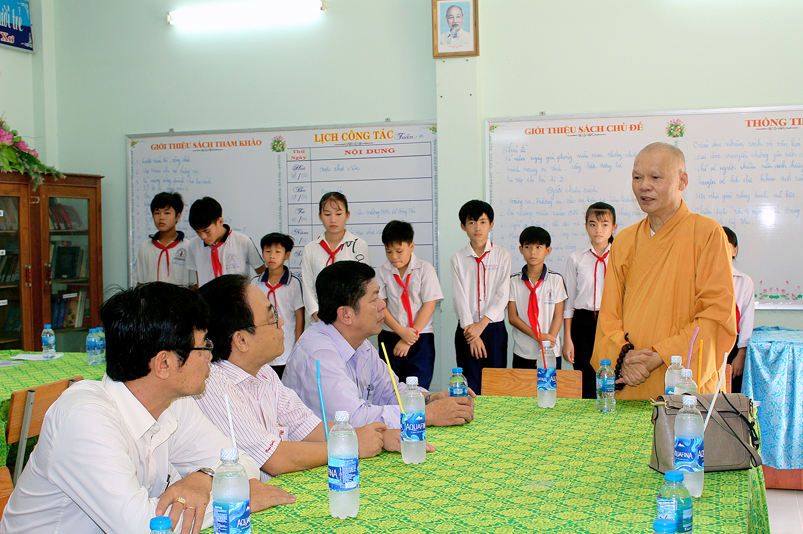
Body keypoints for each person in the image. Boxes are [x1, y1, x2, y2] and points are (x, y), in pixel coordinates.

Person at [0, 283, 294, 534]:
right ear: (164, 363)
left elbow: (242, 463)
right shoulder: (84, 418)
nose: (210, 357)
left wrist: (203, 478)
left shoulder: (173, 403)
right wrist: (236, 502)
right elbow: (143, 526)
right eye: (204, 346)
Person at [194, 275, 389, 481]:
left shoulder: (264, 373)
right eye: (272, 317)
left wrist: (377, 436)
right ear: (241, 340)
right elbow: (274, 459)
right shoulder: (213, 384)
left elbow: (306, 427)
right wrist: (349, 446)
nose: (281, 322)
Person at [591, 142, 737, 399]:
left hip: (684, 385)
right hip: (633, 377)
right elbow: (609, 316)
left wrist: (661, 355)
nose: (643, 186)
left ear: (682, 181)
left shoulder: (707, 234)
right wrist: (624, 356)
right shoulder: (624, 241)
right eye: (637, 177)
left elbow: (716, 315)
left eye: (655, 177)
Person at [284, 261, 474, 432]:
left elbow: (391, 392)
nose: (383, 305)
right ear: (345, 314)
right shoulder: (319, 355)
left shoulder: (361, 344)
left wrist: (429, 399)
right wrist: (427, 415)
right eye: (374, 300)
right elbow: (354, 420)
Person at [451, 199, 511, 394]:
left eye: (483, 222)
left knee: (495, 385)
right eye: (472, 222)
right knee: (470, 386)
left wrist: (481, 325)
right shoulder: (458, 258)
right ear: (463, 226)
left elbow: (503, 294)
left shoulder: (502, 255)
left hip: (494, 329)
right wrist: (472, 332)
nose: (477, 228)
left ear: (491, 224)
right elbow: (459, 297)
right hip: (467, 330)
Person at [376, 220, 444, 390]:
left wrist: (409, 338)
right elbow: (381, 306)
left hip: (421, 337)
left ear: (411, 246)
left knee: (418, 390)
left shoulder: (425, 269)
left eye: (399, 251)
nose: (394, 257)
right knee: (390, 389)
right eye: (388, 251)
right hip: (390, 335)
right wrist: (401, 332)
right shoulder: (381, 271)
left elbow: (429, 305)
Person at [563, 202, 618, 398]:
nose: (598, 230)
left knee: (612, 374)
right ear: (586, 226)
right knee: (585, 376)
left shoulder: (621, 257)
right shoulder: (576, 259)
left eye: (604, 224)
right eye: (593, 224)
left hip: (612, 321)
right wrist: (567, 338)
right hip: (583, 322)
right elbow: (569, 302)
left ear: (614, 227)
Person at [301, 192, 371, 323]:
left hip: (352, 319)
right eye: (327, 214)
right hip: (321, 319)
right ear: (320, 216)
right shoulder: (310, 249)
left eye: (338, 214)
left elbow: (363, 285)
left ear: (347, 215)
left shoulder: (359, 246)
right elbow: (308, 288)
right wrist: (320, 319)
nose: (333, 219)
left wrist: (350, 318)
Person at [508, 226, 567, 369]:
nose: (533, 252)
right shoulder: (513, 281)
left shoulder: (556, 279)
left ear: (548, 250)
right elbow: (513, 318)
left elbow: (558, 316)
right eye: (528, 247)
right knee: (522, 384)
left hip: (550, 352)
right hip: (523, 352)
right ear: (521, 249)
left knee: (551, 384)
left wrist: (547, 347)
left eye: (538, 247)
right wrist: (539, 337)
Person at [250, 232, 304, 378]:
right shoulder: (254, 283)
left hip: (287, 350)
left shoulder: (294, 283)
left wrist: (297, 347)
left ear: (287, 255)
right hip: (261, 351)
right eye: (267, 251)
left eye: (277, 252)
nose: (272, 256)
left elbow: (300, 318)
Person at [186, 196, 265, 288]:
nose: (203, 237)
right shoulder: (194, 245)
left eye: (207, 231)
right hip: (206, 296)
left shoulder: (243, 241)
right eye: (198, 232)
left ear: (220, 221)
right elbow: (194, 281)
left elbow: (262, 273)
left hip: (237, 296)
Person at [133, 191, 191, 286]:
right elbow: (140, 284)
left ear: (178, 216)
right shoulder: (145, 247)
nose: (161, 217)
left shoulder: (187, 247)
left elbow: (193, 286)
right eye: (157, 213)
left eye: (167, 213)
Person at [722, 226, 755, 393]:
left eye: (726, 246)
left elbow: (746, 320)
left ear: (734, 250)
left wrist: (741, 354)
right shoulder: (698, 278)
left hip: (732, 346)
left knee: (731, 392)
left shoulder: (744, 281)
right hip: (705, 342)